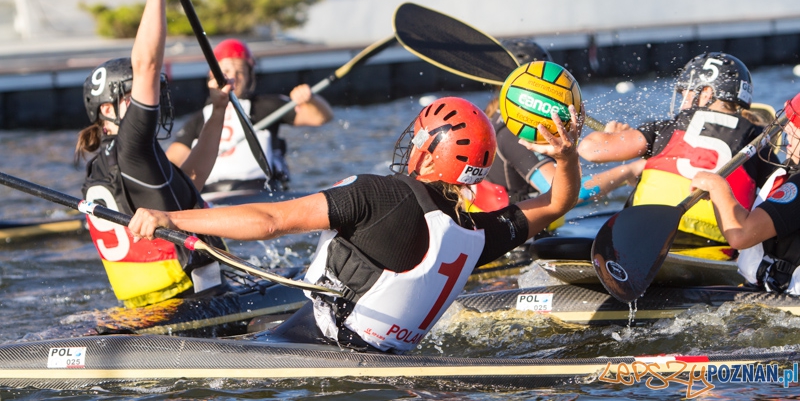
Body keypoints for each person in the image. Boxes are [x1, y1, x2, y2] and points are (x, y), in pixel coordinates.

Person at [128, 96, 582, 353]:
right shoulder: (480, 234)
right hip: (385, 360)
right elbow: (559, 200)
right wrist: (565, 157)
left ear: (427, 155)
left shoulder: (377, 194)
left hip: (311, 347)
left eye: (418, 138)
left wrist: (170, 217)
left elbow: (270, 221)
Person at [74, 0, 231, 309]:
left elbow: (189, 182)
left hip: (145, 314)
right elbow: (146, 65)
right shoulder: (131, 148)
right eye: (132, 95)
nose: (150, 99)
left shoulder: (109, 164)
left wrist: (218, 112)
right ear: (107, 111)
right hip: (198, 306)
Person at [578, 51, 779, 248]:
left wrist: (611, 135)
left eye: (686, 94)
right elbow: (779, 192)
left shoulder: (668, 127)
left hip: (647, 237)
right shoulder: (757, 139)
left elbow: (589, 149)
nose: (683, 103)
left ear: (706, 93)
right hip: (719, 248)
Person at [470, 38, 643, 213]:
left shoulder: (506, 118)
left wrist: (613, 144)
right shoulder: (515, 132)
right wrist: (631, 169)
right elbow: (574, 195)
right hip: (518, 229)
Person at [166, 39, 334, 192]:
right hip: (212, 194)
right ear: (212, 75)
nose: (233, 77)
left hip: (259, 191)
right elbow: (172, 163)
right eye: (226, 71)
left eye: (240, 72)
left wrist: (311, 99)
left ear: (249, 75)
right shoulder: (198, 120)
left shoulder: (267, 106)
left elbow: (321, 118)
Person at [690, 93, 800, 294]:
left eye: (794, 123)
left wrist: (717, 186)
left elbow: (740, 235)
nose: (787, 129)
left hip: (786, 297)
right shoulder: (792, 170)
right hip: (770, 287)